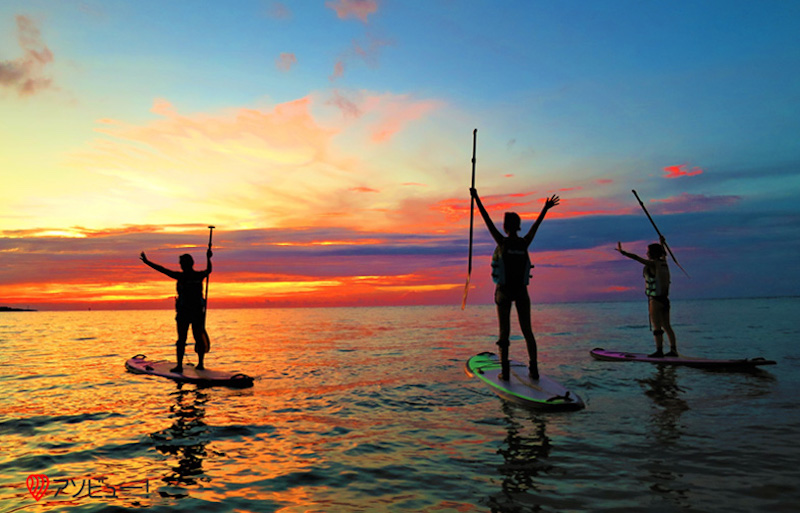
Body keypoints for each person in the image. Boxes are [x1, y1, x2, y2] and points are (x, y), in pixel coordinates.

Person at [470, 187, 560, 381]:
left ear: (505, 227)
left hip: (504, 293)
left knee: (504, 334)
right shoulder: (524, 243)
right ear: (518, 226)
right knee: (527, 331)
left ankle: (505, 373)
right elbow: (536, 225)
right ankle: (534, 370)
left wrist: (476, 198)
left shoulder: (502, 242)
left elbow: (486, 220)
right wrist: (545, 208)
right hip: (521, 293)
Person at [140, 248, 212, 372]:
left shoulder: (181, 276)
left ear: (185, 265)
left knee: (183, 339)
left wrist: (147, 262)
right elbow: (209, 270)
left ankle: (180, 366)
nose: (180, 265)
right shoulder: (198, 275)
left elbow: (162, 270)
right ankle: (200, 364)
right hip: (196, 312)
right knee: (197, 338)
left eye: (181, 263)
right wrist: (208, 258)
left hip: (186, 312)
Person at [615, 237, 678, 357]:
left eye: (648, 251)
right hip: (665, 300)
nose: (646, 253)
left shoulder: (653, 264)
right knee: (667, 326)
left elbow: (636, 258)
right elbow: (664, 254)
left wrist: (623, 253)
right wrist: (662, 243)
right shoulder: (664, 263)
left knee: (657, 326)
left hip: (656, 301)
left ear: (652, 253)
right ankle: (673, 350)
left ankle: (659, 351)